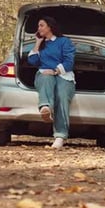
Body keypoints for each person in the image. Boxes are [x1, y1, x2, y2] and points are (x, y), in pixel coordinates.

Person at [27, 16, 76, 148]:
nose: (39, 28)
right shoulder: (42, 44)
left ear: (50, 26)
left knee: (61, 95)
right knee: (45, 76)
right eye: (38, 26)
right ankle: (45, 107)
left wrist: (55, 71)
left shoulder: (64, 41)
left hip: (64, 76)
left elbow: (69, 61)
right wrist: (37, 42)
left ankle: (60, 137)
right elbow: (33, 61)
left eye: (41, 25)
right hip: (44, 76)